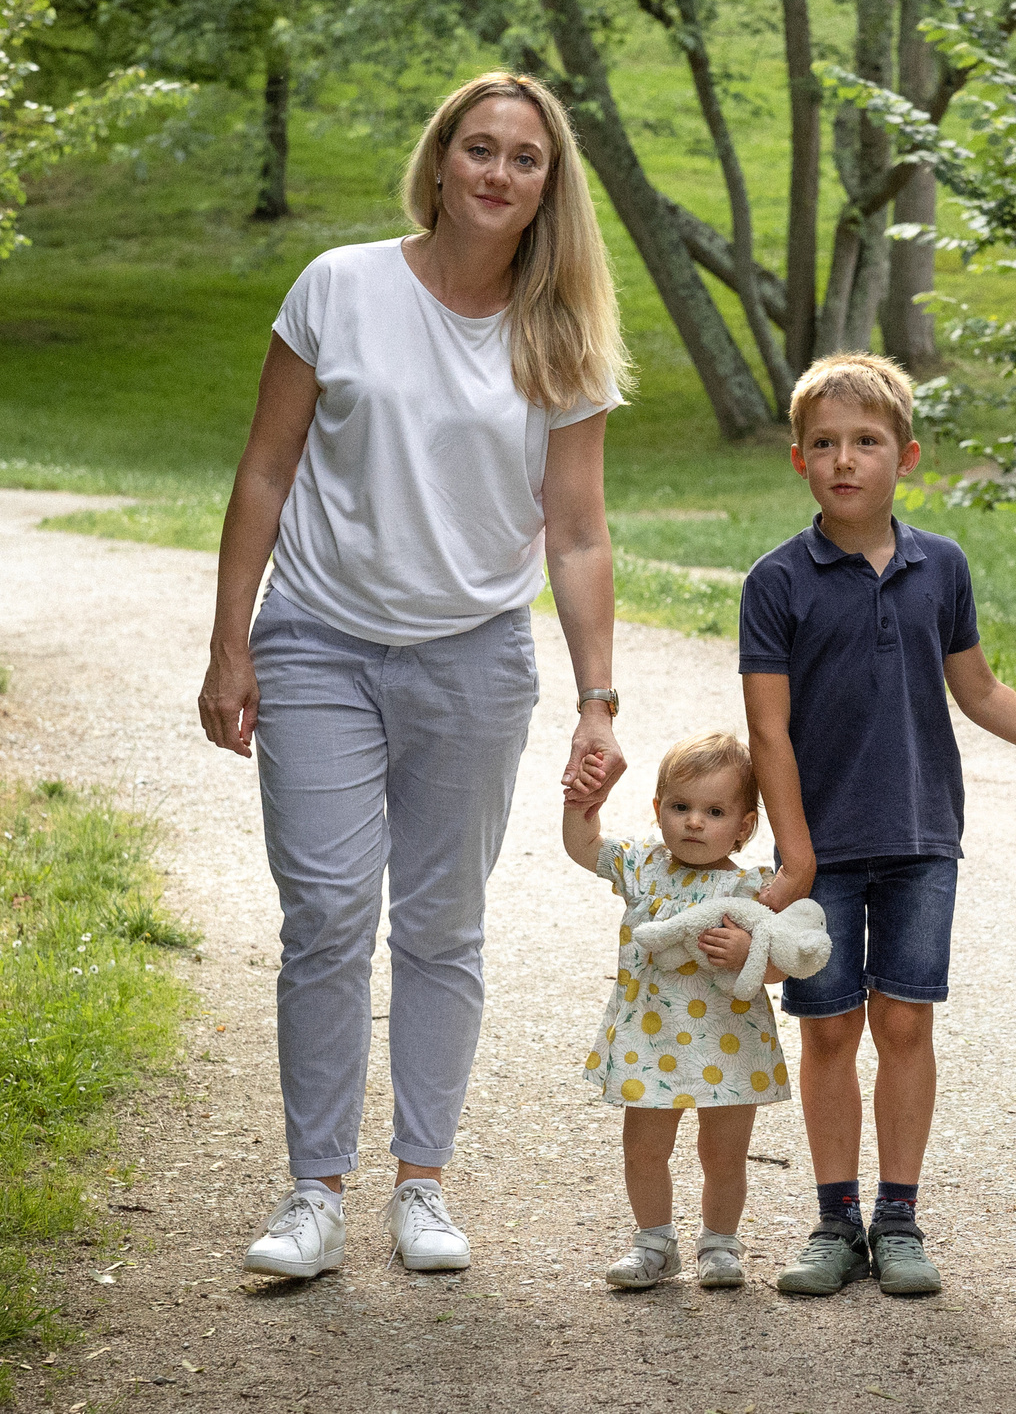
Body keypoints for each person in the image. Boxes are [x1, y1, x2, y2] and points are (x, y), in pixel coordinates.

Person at [199, 71, 631, 1281]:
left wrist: (599, 699)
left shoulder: (562, 331)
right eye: (478, 148)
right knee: (327, 913)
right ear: (439, 159)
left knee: (441, 925)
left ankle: (423, 1186)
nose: (498, 173)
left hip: (475, 661)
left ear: (549, 187)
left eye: (524, 159)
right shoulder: (339, 286)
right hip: (319, 641)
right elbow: (264, 473)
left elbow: (579, 532)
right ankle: (312, 1192)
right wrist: (231, 641)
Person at [740, 353, 1016, 1299]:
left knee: (904, 1021)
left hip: (921, 837)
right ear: (798, 459)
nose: (844, 460)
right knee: (829, 1031)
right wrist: (797, 853)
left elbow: (977, 689)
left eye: (865, 442)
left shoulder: (942, 565)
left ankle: (898, 1217)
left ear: (905, 456)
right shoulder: (775, 582)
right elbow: (768, 731)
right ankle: (833, 1220)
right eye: (824, 444)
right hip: (821, 852)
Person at [561, 732, 790, 1290]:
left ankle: (720, 1242)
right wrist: (579, 805)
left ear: (744, 825)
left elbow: (782, 963)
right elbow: (583, 846)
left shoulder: (751, 889)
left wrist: (747, 956)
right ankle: (654, 1241)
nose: (693, 822)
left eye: (714, 811)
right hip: (652, 1040)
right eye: (680, 807)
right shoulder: (642, 866)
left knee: (724, 1153)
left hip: (728, 1045)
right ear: (658, 808)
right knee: (643, 1149)